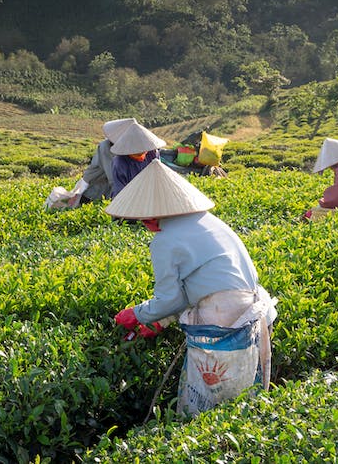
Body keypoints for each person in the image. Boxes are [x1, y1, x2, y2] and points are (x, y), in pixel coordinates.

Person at [106, 159, 277, 417]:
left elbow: (170, 299)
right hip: (254, 309)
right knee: (244, 400)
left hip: (225, 317)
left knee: (214, 401)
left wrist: (137, 314)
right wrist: (158, 323)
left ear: (151, 215)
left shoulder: (164, 240)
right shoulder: (208, 222)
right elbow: (198, 286)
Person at [77, 117, 137, 205]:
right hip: (94, 191)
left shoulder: (125, 148)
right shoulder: (106, 147)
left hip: (106, 190)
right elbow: (113, 177)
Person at [109, 122, 166, 197]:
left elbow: (159, 176)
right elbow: (120, 192)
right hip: (130, 197)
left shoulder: (152, 153)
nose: (142, 152)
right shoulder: (120, 163)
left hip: (151, 193)